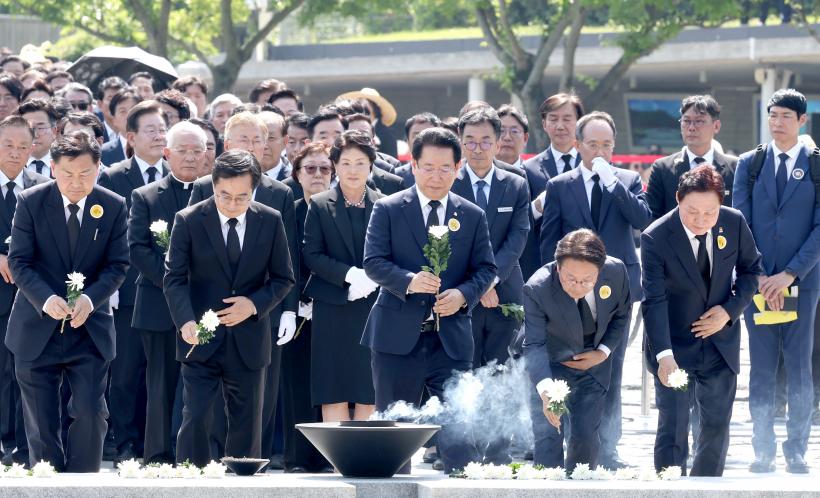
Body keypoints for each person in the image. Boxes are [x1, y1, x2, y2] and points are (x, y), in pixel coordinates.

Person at [362, 127, 497, 473]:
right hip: (396, 336)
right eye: (428, 168)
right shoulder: (389, 208)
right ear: (414, 166)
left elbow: (486, 268)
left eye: (445, 168)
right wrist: (409, 281)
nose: (436, 177)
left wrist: (463, 295)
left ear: (458, 168)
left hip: (451, 339)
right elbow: (373, 262)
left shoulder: (472, 214)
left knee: (458, 435)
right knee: (394, 435)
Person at [6, 131, 129, 471]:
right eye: (68, 173)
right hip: (36, 326)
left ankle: (84, 484)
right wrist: (46, 300)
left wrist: (91, 298)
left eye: (85, 174)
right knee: (41, 422)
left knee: (90, 411)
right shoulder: (31, 202)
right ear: (52, 168)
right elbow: (20, 262)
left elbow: (118, 264)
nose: (76, 182)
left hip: (88, 328)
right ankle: (49, 485)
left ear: (99, 168)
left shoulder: (113, 205)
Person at [165, 149, 295, 467]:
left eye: (242, 197)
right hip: (201, 337)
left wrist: (253, 305)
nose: (233, 204)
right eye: (225, 195)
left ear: (254, 190)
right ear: (213, 186)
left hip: (249, 338)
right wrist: (185, 321)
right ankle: (191, 479)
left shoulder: (269, 220)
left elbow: (283, 278)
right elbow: (174, 279)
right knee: (196, 415)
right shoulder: (189, 220)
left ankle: (243, 482)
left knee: (246, 422)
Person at [539, 111, 652, 469]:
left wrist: (613, 184)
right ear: (577, 144)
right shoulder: (560, 185)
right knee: (568, 364)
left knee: (612, 367)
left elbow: (643, 220)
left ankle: (609, 448)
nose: (599, 151)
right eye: (592, 144)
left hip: (616, 291)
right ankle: (570, 443)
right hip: (570, 289)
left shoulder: (627, 180)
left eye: (606, 145)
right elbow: (548, 241)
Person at [642, 165, 761, 476]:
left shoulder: (733, 222)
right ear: (678, 199)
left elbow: (751, 271)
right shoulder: (656, 237)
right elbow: (654, 301)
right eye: (692, 211)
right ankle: (669, 488)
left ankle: (707, 487)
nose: (701, 220)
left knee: (716, 426)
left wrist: (729, 311)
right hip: (675, 344)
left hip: (720, 343)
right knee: (674, 425)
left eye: (710, 212)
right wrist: (664, 356)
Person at [733, 88, 820, 474]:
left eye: (786, 116)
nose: (778, 122)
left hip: (804, 281)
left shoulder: (816, 165)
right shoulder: (750, 164)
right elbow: (741, 223)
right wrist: (762, 276)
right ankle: (763, 448)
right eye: (773, 115)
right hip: (759, 281)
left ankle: (796, 449)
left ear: (802, 120)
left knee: (800, 366)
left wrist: (789, 274)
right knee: (762, 366)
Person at [128, 121, 210, 464]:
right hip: (159, 303)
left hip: (205, 304)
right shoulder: (146, 196)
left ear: (206, 155)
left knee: (201, 383)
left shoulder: (217, 194)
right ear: (166, 153)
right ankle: (158, 455)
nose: (190, 158)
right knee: (160, 383)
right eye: (182, 151)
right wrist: (174, 283)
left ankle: (195, 454)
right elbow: (137, 248)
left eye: (197, 151)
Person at [98, 100, 169, 463]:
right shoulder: (113, 177)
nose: (159, 136)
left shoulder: (178, 176)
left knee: (160, 374)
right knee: (125, 372)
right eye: (151, 130)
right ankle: (125, 441)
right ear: (130, 137)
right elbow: (103, 234)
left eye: (163, 129)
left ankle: (158, 442)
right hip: (125, 291)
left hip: (167, 293)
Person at [524, 229, 630, 470]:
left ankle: (582, 482)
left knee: (586, 436)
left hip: (593, 362)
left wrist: (602, 352)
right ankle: (547, 483)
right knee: (548, 435)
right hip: (550, 363)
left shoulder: (616, 272)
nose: (578, 286)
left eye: (587, 280)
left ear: (600, 271)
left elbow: (621, 315)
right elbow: (535, 344)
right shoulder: (537, 288)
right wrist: (546, 391)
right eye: (570, 279)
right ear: (558, 268)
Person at [303, 130, 383, 422]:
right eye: (345, 163)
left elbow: (394, 252)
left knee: (369, 388)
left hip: (375, 306)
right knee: (333, 387)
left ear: (371, 165)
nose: (353, 170)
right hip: (333, 306)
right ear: (335, 165)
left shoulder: (385, 203)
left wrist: (373, 277)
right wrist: (349, 275)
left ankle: (366, 449)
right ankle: (338, 451)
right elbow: (311, 253)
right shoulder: (320, 204)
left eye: (360, 163)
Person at [0, 116, 51, 466]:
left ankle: (20, 446)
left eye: (22, 146)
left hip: (29, 296)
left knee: (24, 372)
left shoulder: (43, 188)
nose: (15, 153)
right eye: (8, 145)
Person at [281, 142, 334, 473]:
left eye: (324, 168)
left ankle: (329, 457)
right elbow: (281, 261)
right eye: (310, 168)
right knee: (297, 386)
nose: (317, 174)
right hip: (297, 312)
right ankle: (297, 458)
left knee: (331, 387)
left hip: (336, 309)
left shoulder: (341, 209)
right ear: (297, 174)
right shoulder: (288, 211)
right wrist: (298, 299)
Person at [521, 92, 584, 282]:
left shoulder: (592, 165)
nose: (560, 126)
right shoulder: (528, 169)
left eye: (567, 119)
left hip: (587, 260)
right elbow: (519, 222)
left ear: (579, 122)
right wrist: (536, 207)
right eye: (553, 119)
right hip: (544, 264)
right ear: (544, 124)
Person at [646, 95, 737, 220]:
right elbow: (651, 218)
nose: (691, 127)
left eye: (699, 121)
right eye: (686, 121)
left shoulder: (735, 168)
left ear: (716, 126)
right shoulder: (662, 168)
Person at [394, 113, 441, 186]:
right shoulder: (395, 177)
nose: (422, 140)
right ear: (408, 141)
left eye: (428, 135)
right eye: (416, 135)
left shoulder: (452, 175)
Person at [16, 98, 58, 178]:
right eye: (28, 128)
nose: (35, 135)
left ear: (54, 132)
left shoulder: (64, 164)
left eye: (40, 128)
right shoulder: (8, 165)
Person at [100, 88, 142, 166]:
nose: (129, 115)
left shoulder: (156, 147)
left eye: (133, 109)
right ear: (114, 120)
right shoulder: (102, 154)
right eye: (123, 111)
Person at [259, 109, 290, 182]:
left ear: (285, 141)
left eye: (271, 138)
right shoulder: (237, 179)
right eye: (258, 138)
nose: (264, 146)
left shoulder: (296, 183)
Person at [95, 76, 127, 142]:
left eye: (120, 98)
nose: (115, 102)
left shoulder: (137, 132)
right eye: (110, 98)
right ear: (100, 104)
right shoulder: (94, 135)